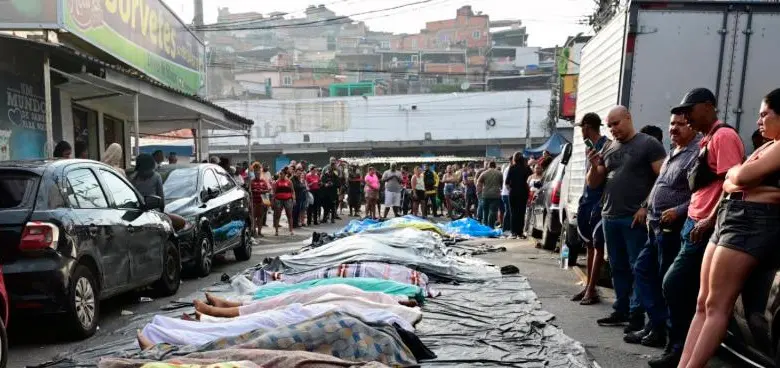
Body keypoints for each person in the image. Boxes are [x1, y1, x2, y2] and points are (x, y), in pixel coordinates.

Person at [677, 89, 780, 368]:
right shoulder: (768, 146)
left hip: (751, 222)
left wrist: (737, 176)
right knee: (704, 302)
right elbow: (730, 183)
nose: (759, 121)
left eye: (764, 114)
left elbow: (741, 175)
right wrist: (737, 178)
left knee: (716, 305)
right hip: (732, 215)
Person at [647, 88, 745, 367]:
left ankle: (681, 348)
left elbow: (732, 185)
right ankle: (683, 349)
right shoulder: (707, 138)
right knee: (691, 292)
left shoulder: (724, 136)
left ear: (707, 106)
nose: (686, 116)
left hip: (703, 226)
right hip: (692, 222)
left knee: (675, 284)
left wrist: (708, 220)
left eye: (690, 110)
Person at [587, 105, 666, 334]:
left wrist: (645, 207)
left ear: (628, 118)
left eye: (616, 123)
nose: (613, 129)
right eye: (609, 125)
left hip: (634, 218)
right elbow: (595, 182)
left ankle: (636, 314)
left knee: (637, 267)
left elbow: (662, 179)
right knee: (617, 266)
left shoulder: (648, 144)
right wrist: (593, 166)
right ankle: (621, 308)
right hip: (610, 216)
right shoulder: (610, 147)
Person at [625, 113, 700, 348]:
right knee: (643, 271)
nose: (674, 128)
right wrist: (647, 206)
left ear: (693, 125)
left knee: (666, 282)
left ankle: (665, 334)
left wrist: (678, 211)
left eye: (680, 124)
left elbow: (701, 194)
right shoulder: (673, 152)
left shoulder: (696, 153)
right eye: (672, 124)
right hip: (654, 227)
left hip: (673, 229)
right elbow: (660, 185)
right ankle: (656, 324)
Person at [572, 112, 610, 306]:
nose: (581, 132)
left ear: (587, 127)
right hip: (588, 201)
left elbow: (598, 179)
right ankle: (589, 286)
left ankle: (592, 289)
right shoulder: (592, 147)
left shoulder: (605, 146)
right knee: (589, 245)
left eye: (581, 128)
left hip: (599, 202)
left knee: (597, 246)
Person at [505, 152, 530, 238]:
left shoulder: (512, 168)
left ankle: (513, 232)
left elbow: (507, 183)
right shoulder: (527, 168)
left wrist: (510, 190)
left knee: (513, 213)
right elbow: (530, 180)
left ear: (514, 159)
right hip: (523, 193)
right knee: (522, 212)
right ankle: (520, 232)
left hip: (513, 193)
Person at [476, 161, 503, 227]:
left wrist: (479, 192)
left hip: (485, 195)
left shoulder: (484, 173)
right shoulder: (499, 173)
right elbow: (502, 184)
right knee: (493, 211)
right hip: (495, 195)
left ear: (489, 166)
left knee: (485, 211)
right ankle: (491, 226)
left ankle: (485, 226)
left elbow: (478, 183)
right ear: (495, 166)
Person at [272, 168, 295, 236]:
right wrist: (273, 200)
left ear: (285, 174)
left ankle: (291, 230)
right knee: (277, 215)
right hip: (278, 200)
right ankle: (276, 231)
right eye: (279, 174)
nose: (280, 175)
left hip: (288, 199)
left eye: (281, 174)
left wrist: (294, 199)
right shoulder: (277, 182)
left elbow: (293, 191)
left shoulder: (289, 181)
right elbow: (274, 192)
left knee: (289, 215)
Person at [249, 163, 270, 237]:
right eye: (255, 172)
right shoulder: (251, 182)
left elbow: (266, 192)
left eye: (258, 172)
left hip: (261, 203)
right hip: (254, 203)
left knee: (260, 218)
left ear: (260, 172)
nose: (257, 173)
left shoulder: (263, 181)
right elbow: (250, 192)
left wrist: (266, 203)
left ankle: (260, 232)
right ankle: (254, 231)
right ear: (254, 173)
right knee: (253, 217)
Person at [526, 164, 544, 235]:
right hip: (530, 196)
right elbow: (527, 186)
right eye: (536, 168)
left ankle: (536, 229)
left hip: (539, 196)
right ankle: (526, 229)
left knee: (537, 213)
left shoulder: (543, 177)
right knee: (529, 213)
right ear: (534, 169)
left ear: (541, 169)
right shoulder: (530, 177)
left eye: (539, 168)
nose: (537, 170)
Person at [500, 161, 512, 234]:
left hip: (505, 193)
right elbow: (507, 183)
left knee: (507, 211)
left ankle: (506, 228)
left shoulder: (507, 169)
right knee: (508, 211)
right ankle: (505, 229)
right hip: (507, 194)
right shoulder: (508, 169)